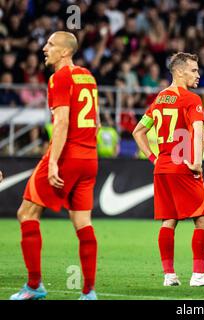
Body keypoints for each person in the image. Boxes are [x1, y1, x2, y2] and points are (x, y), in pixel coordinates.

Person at [10, 32, 100, 300]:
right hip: (89, 158)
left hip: (67, 156)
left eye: (50, 44)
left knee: (26, 214)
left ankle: (34, 286)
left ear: (64, 52)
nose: (44, 48)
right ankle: (88, 292)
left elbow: (60, 123)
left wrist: (53, 163)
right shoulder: (88, 76)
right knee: (83, 223)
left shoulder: (59, 77)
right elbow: (95, 123)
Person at [133, 52, 204, 287]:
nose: (198, 75)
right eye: (194, 70)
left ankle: (169, 276)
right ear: (179, 71)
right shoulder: (191, 99)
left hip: (162, 167)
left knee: (168, 220)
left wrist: (153, 158)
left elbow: (138, 132)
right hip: (184, 168)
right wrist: (198, 160)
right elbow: (198, 130)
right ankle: (198, 276)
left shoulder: (159, 99)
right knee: (203, 219)